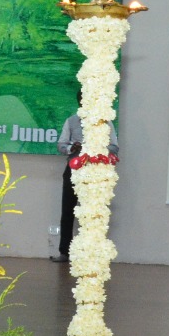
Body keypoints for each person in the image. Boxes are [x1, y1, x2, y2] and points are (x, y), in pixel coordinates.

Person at [54, 109, 119, 263]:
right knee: (67, 210)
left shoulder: (105, 121)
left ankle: (92, 253)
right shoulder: (71, 121)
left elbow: (114, 147)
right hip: (74, 169)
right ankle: (65, 252)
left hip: (95, 172)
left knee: (93, 213)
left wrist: (97, 150)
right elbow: (61, 145)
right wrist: (72, 148)